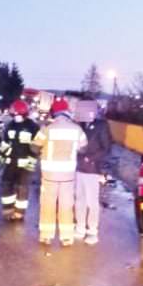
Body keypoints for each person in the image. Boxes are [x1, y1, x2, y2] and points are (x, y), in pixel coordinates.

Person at [32, 98, 87, 246]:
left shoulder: (47, 129)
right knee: (66, 205)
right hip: (68, 175)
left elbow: (34, 147)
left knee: (47, 203)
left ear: (54, 112)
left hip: (49, 175)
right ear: (67, 112)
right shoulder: (77, 129)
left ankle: (46, 235)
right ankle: (67, 237)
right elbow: (84, 149)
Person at [74, 106, 112, 245]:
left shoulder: (101, 125)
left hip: (92, 169)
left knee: (92, 202)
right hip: (79, 168)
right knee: (80, 200)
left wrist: (91, 158)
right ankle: (80, 228)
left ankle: (92, 232)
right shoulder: (80, 125)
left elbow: (106, 148)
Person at [0, 100, 40, 220]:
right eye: (14, 114)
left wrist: (31, 161)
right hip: (11, 162)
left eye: (18, 114)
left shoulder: (33, 127)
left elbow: (37, 146)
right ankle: (8, 209)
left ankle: (19, 212)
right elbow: (5, 143)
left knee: (22, 187)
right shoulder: (10, 125)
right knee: (6, 184)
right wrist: (1, 157)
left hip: (25, 163)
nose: (16, 116)